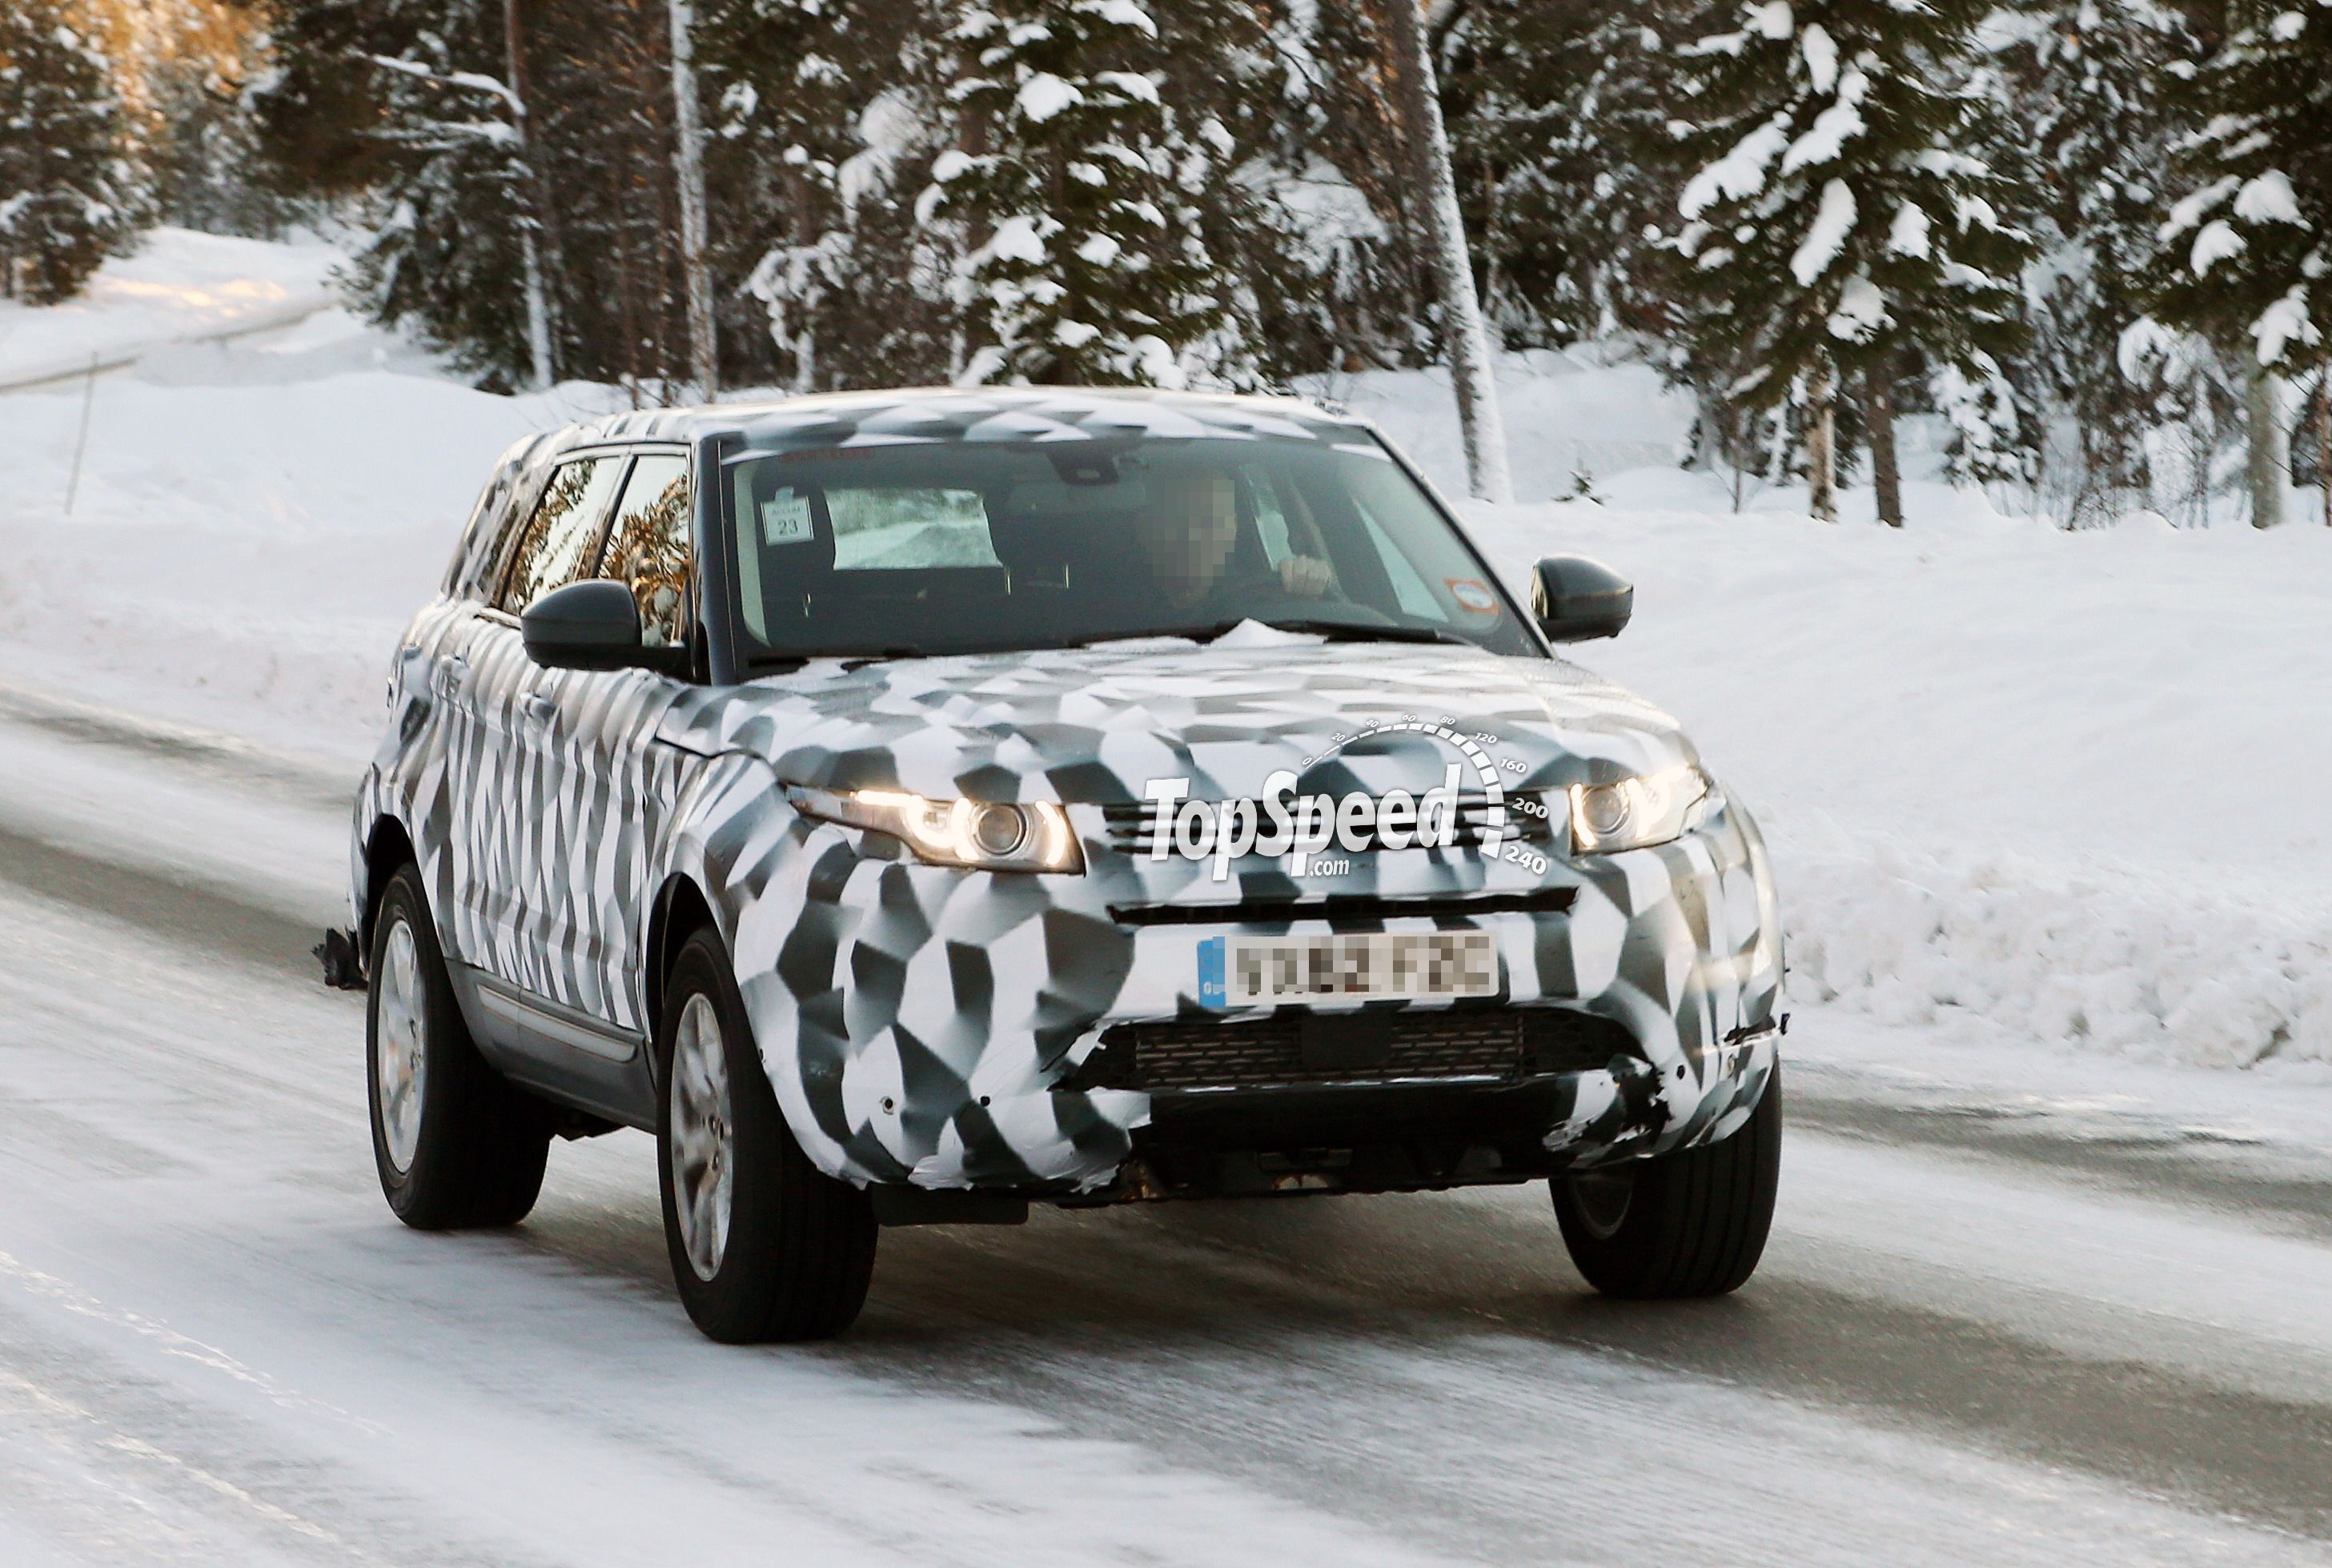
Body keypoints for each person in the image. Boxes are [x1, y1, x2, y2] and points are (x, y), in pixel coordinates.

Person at [1136, 469, 1335, 616]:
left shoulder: (1263, 599)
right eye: (1177, 520)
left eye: (1210, 521)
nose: (1192, 536)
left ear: (1233, 530)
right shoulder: (1111, 609)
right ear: (1145, 527)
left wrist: (1310, 586)